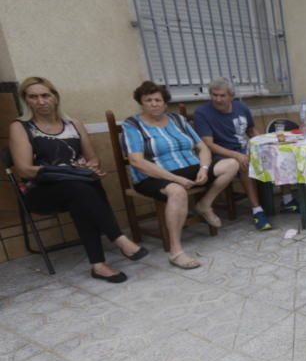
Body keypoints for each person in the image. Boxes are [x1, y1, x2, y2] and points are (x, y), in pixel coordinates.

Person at [9, 77, 147, 282]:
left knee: (81, 191)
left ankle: (99, 265)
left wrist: (90, 166)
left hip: (75, 188)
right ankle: (118, 238)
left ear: (55, 97)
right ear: (26, 101)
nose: (40, 101)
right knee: (80, 187)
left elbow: (93, 159)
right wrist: (69, 172)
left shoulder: (73, 124)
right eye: (33, 97)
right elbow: (25, 170)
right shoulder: (21, 127)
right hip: (40, 192)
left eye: (45, 95)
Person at [124, 81, 239, 269]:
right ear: (141, 103)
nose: (154, 104)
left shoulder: (178, 120)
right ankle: (176, 251)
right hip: (153, 175)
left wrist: (203, 168)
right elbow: (137, 162)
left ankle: (204, 204)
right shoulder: (133, 125)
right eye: (149, 100)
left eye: (158, 100)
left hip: (189, 167)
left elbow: (202, 147)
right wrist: (175, 179)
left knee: (231, 164)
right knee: (177, 192)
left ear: (165, 102)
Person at [193, 77, 272, 231]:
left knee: (274, 155)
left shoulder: (241, 107)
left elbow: (250, 130)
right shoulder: (202, 113)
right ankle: (257, 210)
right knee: (244, 163)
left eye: (222, 95)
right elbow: (209, 144)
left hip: (243, 149)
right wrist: (236, 155)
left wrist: (263, 144)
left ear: (231, 96)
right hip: (220, 155)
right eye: (214, 95)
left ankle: (286, 200)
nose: (218, 99)